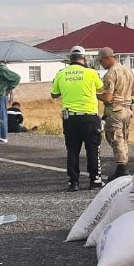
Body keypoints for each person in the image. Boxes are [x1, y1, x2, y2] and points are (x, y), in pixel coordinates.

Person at [51, 46, 104, 191]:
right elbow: (101, 89)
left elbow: (54, 94)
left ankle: (73, 182)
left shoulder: (61, 73)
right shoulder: (91, 73)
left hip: (70, 119)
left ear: (70, 59)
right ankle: (95, 180)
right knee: (93, 149)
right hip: (89, 117)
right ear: (84, 58)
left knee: (73, 150)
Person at [97, 47, 134, 182]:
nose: (101, 64)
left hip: (115, 111)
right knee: (123, 138)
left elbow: (107, 97)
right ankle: (123, 164)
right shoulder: (128, 70)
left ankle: (122, 169)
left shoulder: (110, 74)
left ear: (107, 58)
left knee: (116, 138)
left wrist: (95, 95)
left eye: (101, 61)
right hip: (127, 109)